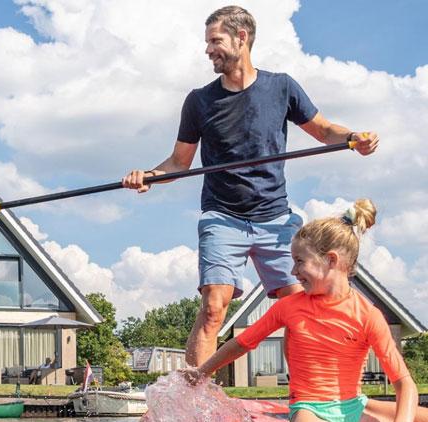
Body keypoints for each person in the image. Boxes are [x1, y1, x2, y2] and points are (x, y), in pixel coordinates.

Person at [122, 5, 378, 366]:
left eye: (215, 41)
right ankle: (194, 402)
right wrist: (148, 175)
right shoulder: (199, 101)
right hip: (222, 217)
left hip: (275, 217)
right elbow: (179, 162)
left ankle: (304, 397)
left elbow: (323, 130)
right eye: (208, 42)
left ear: (241, 38)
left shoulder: (282, 87)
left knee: (299, 307)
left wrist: (353, 137)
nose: (208, 49)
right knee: (214, 307)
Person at [187, 199, 428, 422]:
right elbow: (242, 343)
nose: (293, 270)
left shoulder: (368, 314)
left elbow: (404, 383)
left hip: (355, 409)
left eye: (300, 261)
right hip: (310, 410)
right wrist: (202, 372)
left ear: (331, 260)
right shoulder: (289, 306)